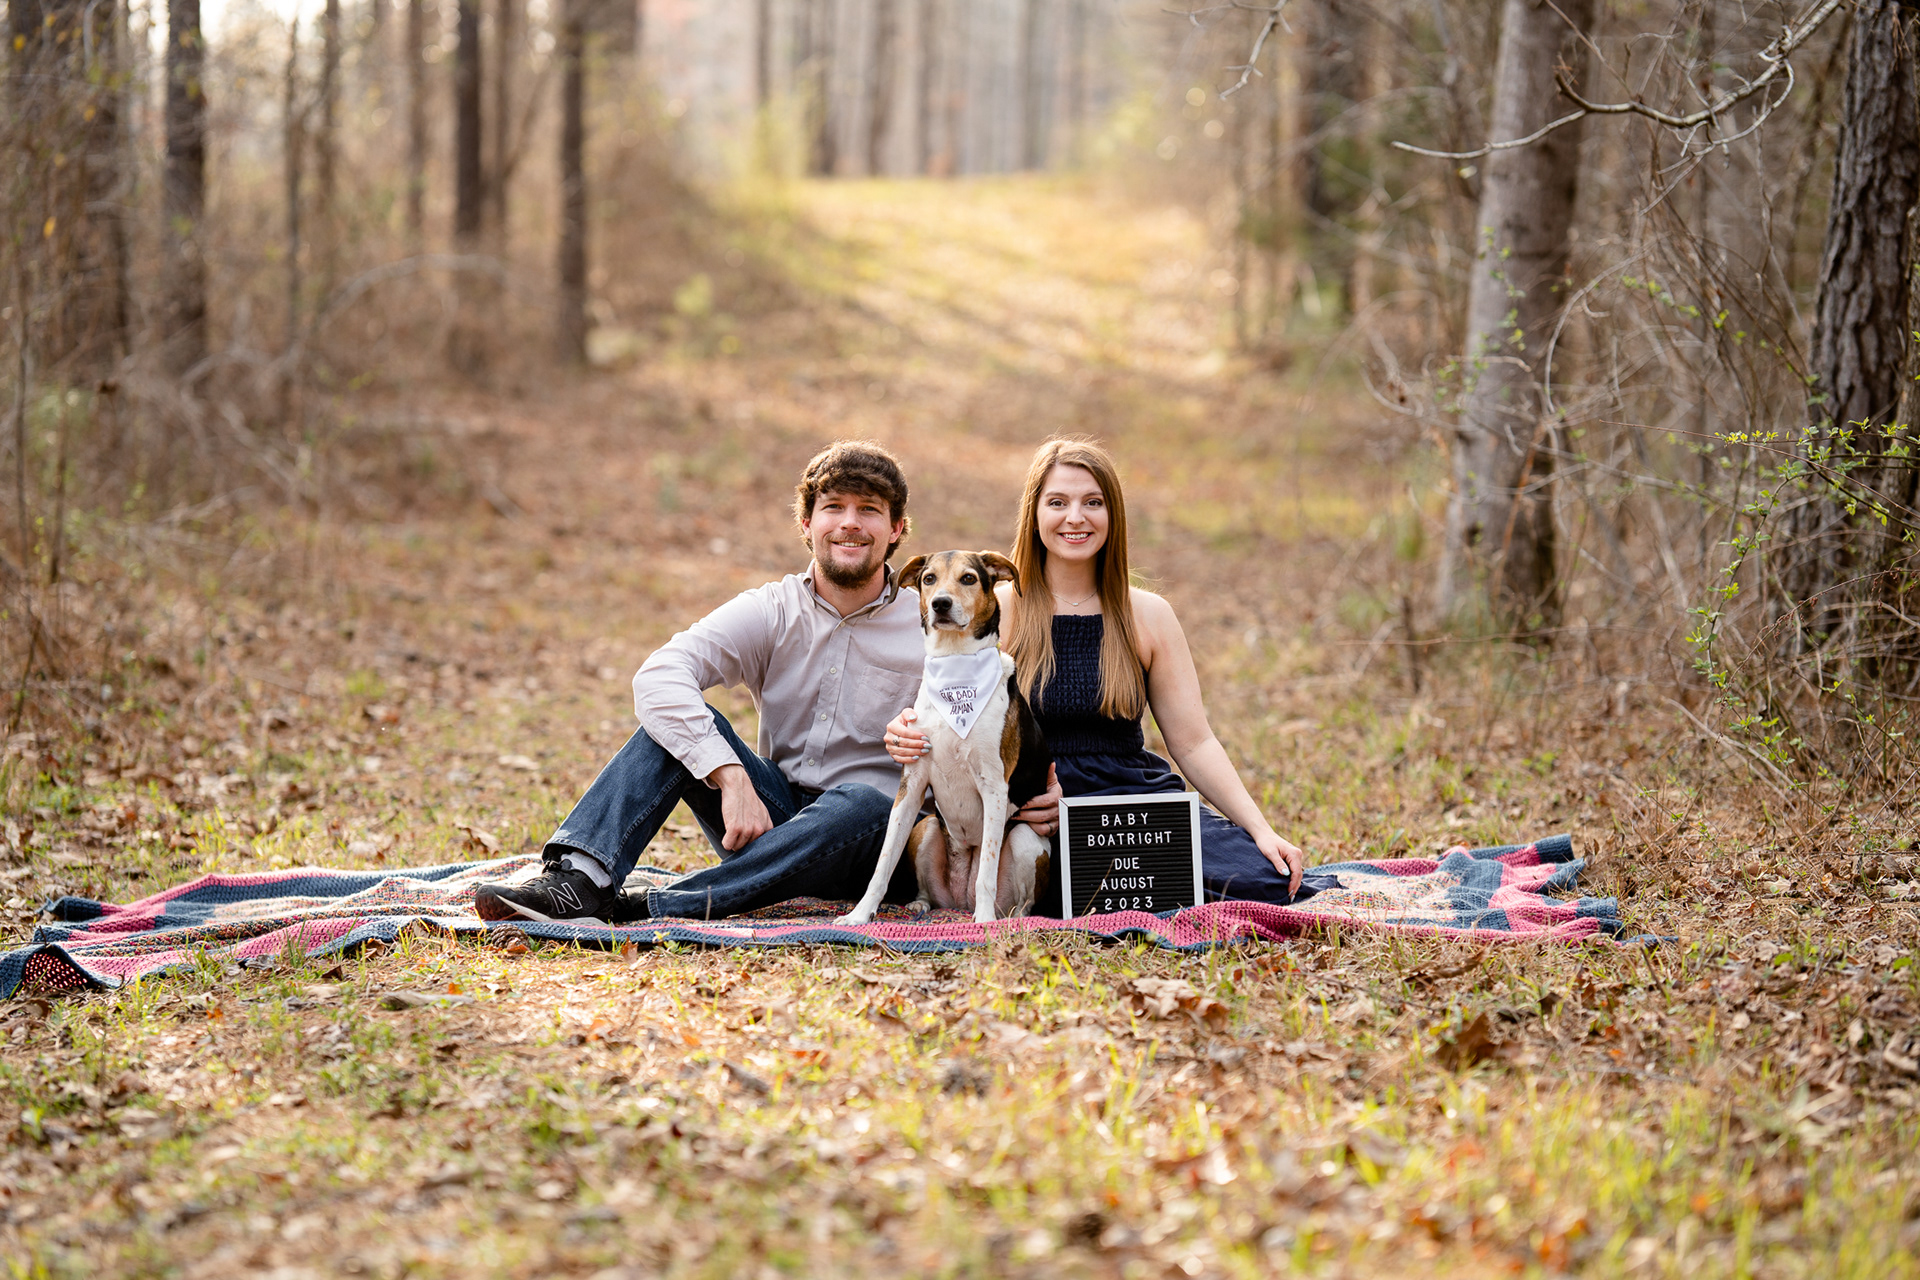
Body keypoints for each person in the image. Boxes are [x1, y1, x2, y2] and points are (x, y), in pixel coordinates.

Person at [473, 440, 1062, 924]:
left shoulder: (939, 621)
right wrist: (728, 773)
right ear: (807, 524)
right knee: (671, 726)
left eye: (869, 510)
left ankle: (655, 906)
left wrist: (1039, 795)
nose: (849, 524)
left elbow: (1006, 719)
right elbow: (660, 675)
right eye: (833, 507)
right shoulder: (772, 609)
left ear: (897, 530)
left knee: (860, 801)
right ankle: (578, 883)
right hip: (766, 810)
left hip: (868, 839)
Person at [885, 438, 1329, 907]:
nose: (1075, 517)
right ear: (1034, 514)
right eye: (1057, 502)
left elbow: (1194, 741)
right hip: (1036, 810)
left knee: (1266, 886)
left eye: (1092, 502)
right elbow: (944, 707)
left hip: (1131, 805)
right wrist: (905, 730)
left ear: (1112, 514)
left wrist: (1260, 828)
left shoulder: (1149, 614)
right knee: (1058, 888)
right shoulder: (997, 610)